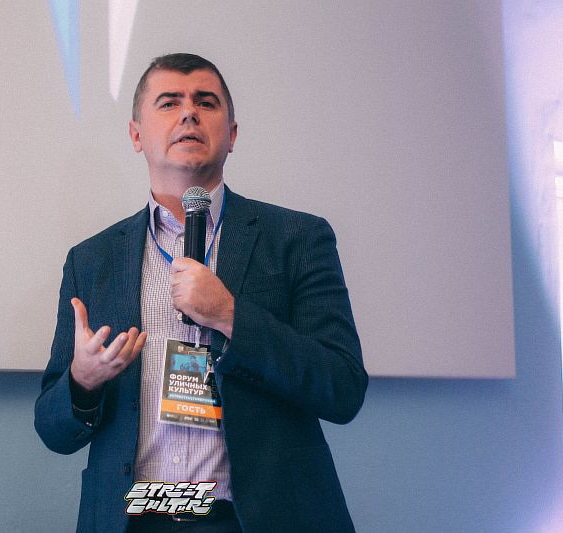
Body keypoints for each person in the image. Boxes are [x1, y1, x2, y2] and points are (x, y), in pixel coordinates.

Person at [35, 53, 368, 533]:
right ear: (136, 135)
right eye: (169, 102)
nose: (189, 112)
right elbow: (53, 430)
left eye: (206, 102)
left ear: (231, 134)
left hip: (252, 520)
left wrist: (231, 315)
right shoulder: (92, 260)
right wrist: (82, 382)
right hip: (136, 519)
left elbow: (343, 388)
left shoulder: (297, 238)